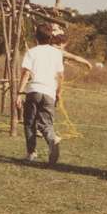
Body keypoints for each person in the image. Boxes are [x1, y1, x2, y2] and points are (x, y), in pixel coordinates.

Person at [17, 23, 65, 165]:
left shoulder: (32, 52)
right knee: (46, 124)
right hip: (49, 91)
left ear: (36, 37)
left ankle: (31, 153)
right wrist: (58, 92)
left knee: (29, 123)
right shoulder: (57, 53)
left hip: (33, 90)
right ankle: (52, 139)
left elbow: (26, 73)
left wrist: (19, 93)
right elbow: (60, 75)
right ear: (50, 37)